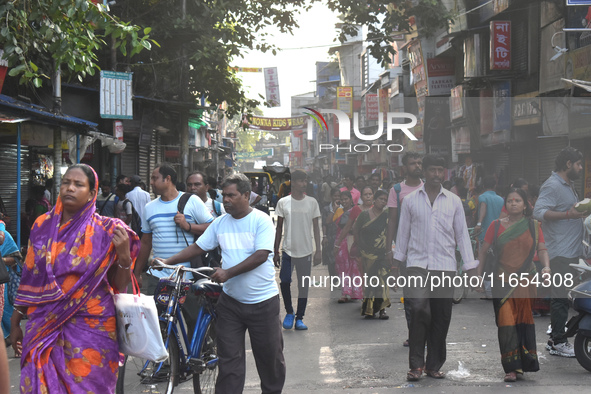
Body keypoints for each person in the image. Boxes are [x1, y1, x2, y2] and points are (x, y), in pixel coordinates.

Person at [10, 164, 140, 393]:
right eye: (66, 182)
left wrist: (124, 258)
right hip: (43, 323)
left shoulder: (108, 230)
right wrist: (16, 317)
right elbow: (30, 276)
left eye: (78, 184)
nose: (70, 188)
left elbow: (120, 285)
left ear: (92, 193)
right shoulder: (42, 225)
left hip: (92, 327)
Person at [159, 173, 285, 393]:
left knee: (270, 361)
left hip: (262, 303)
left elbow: (261, 255)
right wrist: (167, 261)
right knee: (229, 363)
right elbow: (198, 247)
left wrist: (228, 273)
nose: (226, 200)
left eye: (231, 195)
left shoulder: (261, 220)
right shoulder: (220, 223)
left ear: (246, 195)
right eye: (224, 195)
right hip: (231, 305)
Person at [394, 154, 478, 382]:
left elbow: (462, 234)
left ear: (445, 173)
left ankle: (434, 364)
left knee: (442, 316)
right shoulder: (410, 200)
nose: (436, 174)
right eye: (432, 170)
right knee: (419, 311)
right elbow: (403, 233)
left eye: (440, 170)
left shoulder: (453, 201)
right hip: (417, 265)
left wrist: (470, 267)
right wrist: (396, 262)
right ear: (425, 171)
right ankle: (416, 366)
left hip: (445, 266)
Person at [477, 188, 548, 382]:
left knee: (522, 321)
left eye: (517, 201)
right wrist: (477, 276)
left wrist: (547, 268)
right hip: (502, 281)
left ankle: (523, 364)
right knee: (506, 322)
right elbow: (483, 252)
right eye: (510, 201)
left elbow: (542, 249)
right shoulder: (496, 225)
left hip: (526, 281)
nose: (513, 203)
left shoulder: (533, 225)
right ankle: (511, 367)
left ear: (525, 205)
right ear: (505, 205)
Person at [133, 163, 213, 332]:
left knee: (193, 324)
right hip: (158, 276)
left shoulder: (191, 201)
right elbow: (145, 242)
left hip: (187, 276)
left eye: (155, 178)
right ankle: (165, 357)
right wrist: (137, 272)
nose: (151, 183)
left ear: (167, 179)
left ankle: (199, 355)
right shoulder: (149, 208)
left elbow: (214, 228)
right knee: (156, 323)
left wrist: (188, 226)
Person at [533, 147, 588, 357]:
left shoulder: (567, 185)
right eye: (578, 164)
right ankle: (558, 341)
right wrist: (568, 214)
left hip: (571, 252)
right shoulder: (553, 185)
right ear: (568, 164)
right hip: (560, 252)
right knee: (560, 297)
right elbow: (538, 212)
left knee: (565, 296)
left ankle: (555, 339)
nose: (580, 168)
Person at [274, 170, 321, 331]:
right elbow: (279, 228)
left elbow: (316, 227)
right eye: (301, 181)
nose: (304, 184)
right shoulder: (283, 202)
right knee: (285, 281)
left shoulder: (312, 202)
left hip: (306, 251)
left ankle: (300, 318)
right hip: (288, 250)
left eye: (305, 181)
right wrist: (275, 251)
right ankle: (289, 312)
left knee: (303, 285)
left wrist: (318, 250)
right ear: (292, 183)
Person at [385, 151, 423, 347]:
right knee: (411, 297)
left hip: (428, 251)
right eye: (412, 163)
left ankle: (424, 333)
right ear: (405, 167)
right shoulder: (397, 190)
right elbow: (392, 221)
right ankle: (414, 333)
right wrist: (389, 249)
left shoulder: (429, 188)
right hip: (406, 252)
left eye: (419, 163)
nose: (417, 166)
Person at [354, 190, 391, 319]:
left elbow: (390, 234)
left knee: (383, 280)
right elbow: (356, 230)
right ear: (374, 200)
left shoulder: (387, 215)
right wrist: (359, 246)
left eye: (385, 199)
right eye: (381, 198)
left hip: (382, 253)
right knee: (370, 281)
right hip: (367, 254)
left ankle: (382, 309)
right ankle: (369, 309)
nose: (383, 201)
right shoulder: (364, 215)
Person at [333, 187, 374, 303]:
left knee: (368, 271)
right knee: (352, 268)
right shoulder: (356, 210)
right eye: (365, 194)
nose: (368, 197)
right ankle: (349, 293)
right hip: (354, 244)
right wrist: (337, 244)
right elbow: (345, 227)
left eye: (370, 194)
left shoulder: (377, 209)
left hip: (373, 246)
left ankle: (365, 296)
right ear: (361, 197)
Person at [1, 221, 23, 345]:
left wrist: (1, 259)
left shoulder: (5, 236)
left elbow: (15, 259)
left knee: (6, 310)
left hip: (3, 280)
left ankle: (14, 339)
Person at [321, 188, 341, 278]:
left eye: (338, 196)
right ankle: (333, 279)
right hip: (330, 237)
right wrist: (324, 236)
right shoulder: (326, 209)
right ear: (331, 197)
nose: (337, 198)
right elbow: (325, 223)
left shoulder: (343, 208)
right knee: (331, 260)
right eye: (335, 196)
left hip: (340, 237)